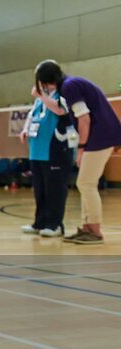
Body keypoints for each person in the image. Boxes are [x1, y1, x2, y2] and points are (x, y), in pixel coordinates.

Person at [33, 60, 121, 244]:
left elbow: (84, 119)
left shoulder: (70, 87)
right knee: (85, 183)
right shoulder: (70, 85)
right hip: (101, 136)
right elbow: (65, 111)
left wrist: (81, 148)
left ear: (44, 81)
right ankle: (87, 227)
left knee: (86, 183)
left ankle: (95, 231)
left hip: (101, 136)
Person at [19, 84, 73, 238]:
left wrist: (41, 95)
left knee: (54, 190)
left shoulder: (60, 97)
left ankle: (54, 225)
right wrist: (25, 129)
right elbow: (31, 116)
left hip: (53, 152)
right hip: (36, 152)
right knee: (40, 190)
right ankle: (40, 222)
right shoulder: (39, 101)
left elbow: (60, 110)